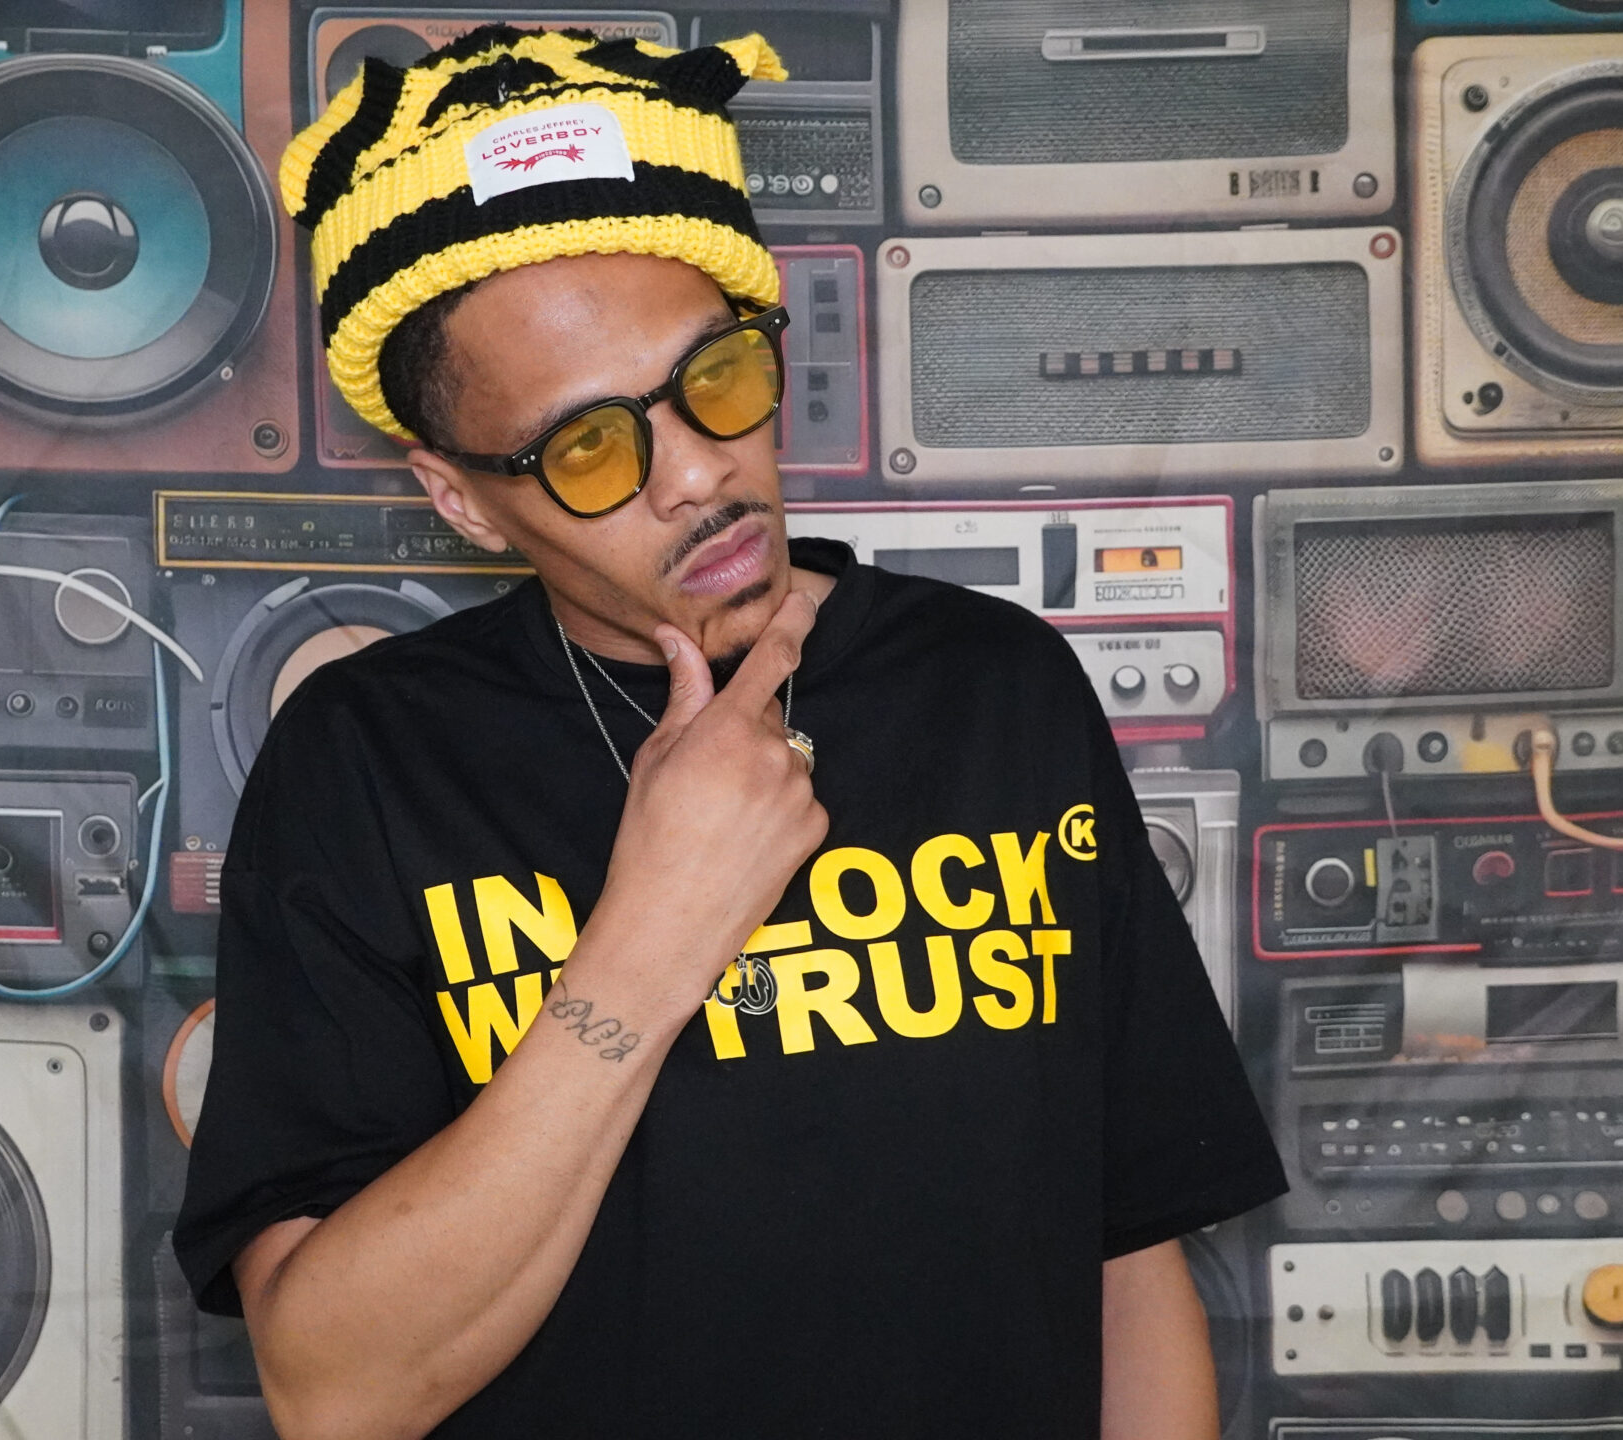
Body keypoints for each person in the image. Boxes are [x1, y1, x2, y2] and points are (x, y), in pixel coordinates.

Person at [174, 26, 1285, 1440]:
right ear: (459, 500)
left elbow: (1128, 1263)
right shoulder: (365, 764)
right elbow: (336, 1389)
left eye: (718, 377)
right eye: (588, 448)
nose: (700, 474)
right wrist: (658, 924)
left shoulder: (994, 691)